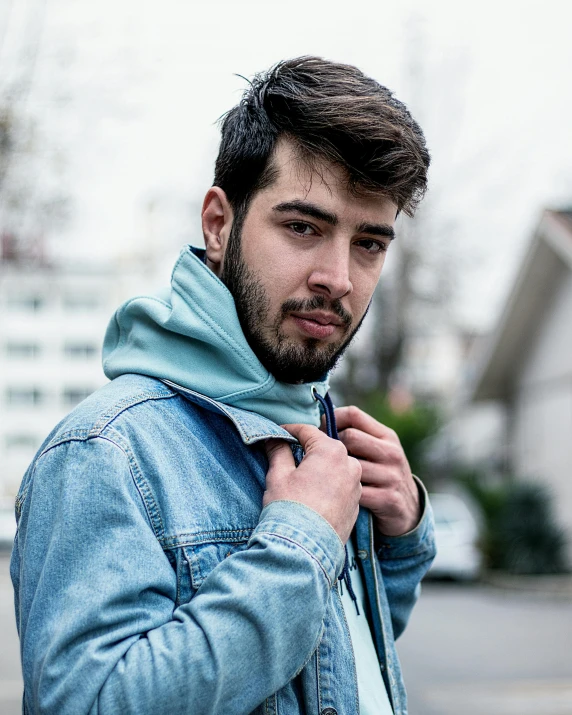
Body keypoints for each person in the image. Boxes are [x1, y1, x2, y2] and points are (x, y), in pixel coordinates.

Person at [11, 56, 435, 715]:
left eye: (369, 243)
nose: (339, 277)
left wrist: (399, 534)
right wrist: (301, 545)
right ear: (218, 224)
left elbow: (321, 669)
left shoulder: (319, 436)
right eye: (303, 227)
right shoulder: (107, 451)